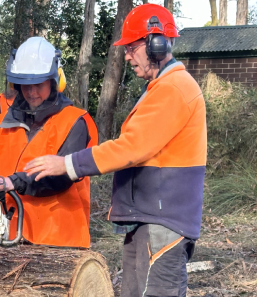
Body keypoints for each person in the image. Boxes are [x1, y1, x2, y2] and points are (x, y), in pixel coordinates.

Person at [24, 4, 206, 297]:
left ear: (156, 44)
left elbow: (131, 148)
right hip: (148, 221)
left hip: (163, 225)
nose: (127, 54)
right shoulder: (159, 87)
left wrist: (67, 164)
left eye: (133, 47)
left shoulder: (173, 88)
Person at [0, 37, 98, 249]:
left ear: (55, 81)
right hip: (10, 234)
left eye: (38, 84)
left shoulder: (75, 122)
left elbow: (61, 177)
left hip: (59, 239)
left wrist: (14, 182)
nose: (31, 92)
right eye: (25, 85)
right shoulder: (1, 118)